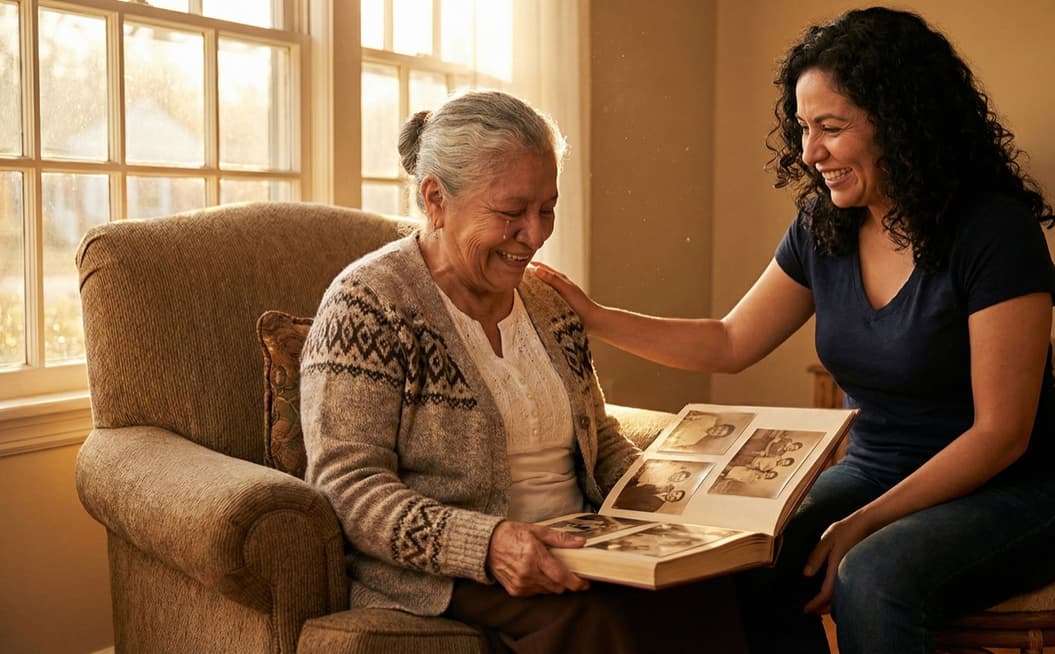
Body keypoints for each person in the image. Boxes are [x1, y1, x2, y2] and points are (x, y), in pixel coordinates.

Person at [532, 8, 1055, 654]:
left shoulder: (994, 233)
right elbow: (731, 341)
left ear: (901, 124)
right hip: (876, 468)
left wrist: (864, 522)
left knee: (872, 578)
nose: (809, 152)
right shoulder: (826, 226)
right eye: (802, 128)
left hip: (1015, 491)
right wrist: (595, 317)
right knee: (745, 557)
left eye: (831, 128)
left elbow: (1001, 435)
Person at [300, 90, 747, 654]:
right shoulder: (369, 304)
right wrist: (487, 544)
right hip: (453, 568)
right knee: (600, 622)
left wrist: (665, 509)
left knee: (731, 588)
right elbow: (347, 487)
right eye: (511, 213)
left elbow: (599, 436)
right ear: (435, 197)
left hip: (580, 543)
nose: (535, 236)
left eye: (547, 209)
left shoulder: (548, 301)